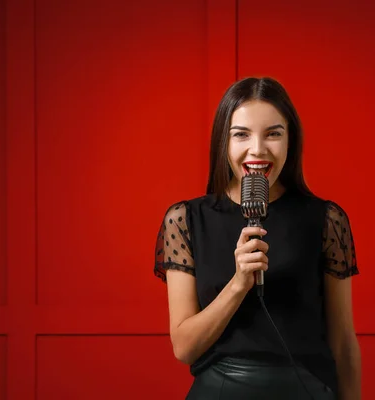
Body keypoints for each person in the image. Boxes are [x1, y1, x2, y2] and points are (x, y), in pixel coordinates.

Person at [154, 77, 361, 400]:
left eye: (273, 134)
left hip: (306, 390)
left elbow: (344, 343)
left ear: (290, 141)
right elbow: (184, 347)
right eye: (241, 135)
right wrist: (239, 284)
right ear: (224, 141)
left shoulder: (326, 219)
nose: (258, 149)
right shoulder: (185, 220)